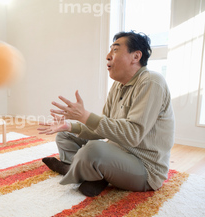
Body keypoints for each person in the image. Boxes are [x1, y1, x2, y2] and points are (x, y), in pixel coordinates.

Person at [38, 31, 174, 197]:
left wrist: (84, 116)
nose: (108, 56)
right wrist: (68, 125)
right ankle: (93, 174)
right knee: (64, 135)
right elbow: (103, 128)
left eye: (115, 50)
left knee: (94, 149)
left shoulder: (152, 82)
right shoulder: (118, 86)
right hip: (116, 153)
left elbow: (133, 135)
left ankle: (74, 170)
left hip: (145, 169)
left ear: (136, 56)